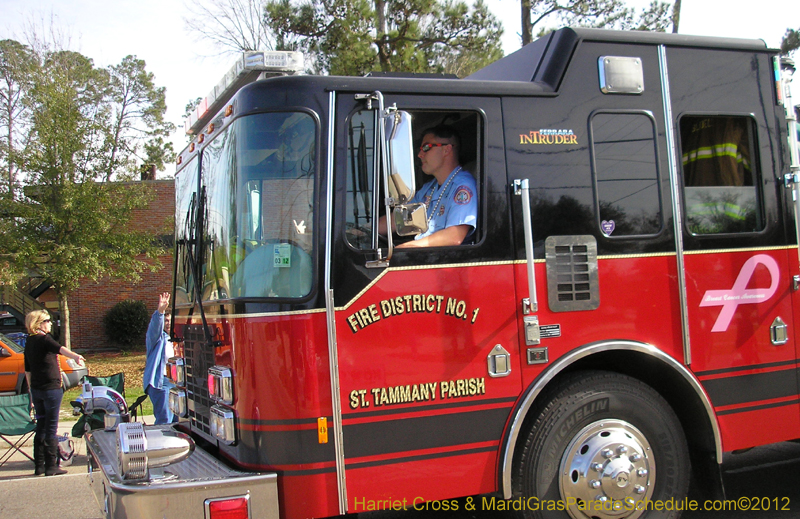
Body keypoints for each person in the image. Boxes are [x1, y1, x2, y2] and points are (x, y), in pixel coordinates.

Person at [383, 125, 478, 248]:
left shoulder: (463, 186)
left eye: (426, 147)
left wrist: (406, 248)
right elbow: (398, 219)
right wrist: (365, 229)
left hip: (448, 258)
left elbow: (454, 236)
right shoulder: (429, 188)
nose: (420, 154)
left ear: (446, 150)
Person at [23, 310, 85, 476]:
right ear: (39, 324)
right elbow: (60, 349)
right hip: (51, 389)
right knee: (51, 427)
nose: (50, 323)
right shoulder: (44, 339)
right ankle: (51, 465)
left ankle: (39, 465)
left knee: (41, 425)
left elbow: (27, 370)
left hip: (37, 389)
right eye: (47, 320)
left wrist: (31, 392)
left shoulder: (29, 341)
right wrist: (76, 356)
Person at [144, 292, 175, 425]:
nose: (168, 324)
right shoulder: (157, 339)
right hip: (161, 382)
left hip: (176, 383)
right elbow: (155, 328)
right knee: (165, 419)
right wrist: (160, 312)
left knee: (178, 419)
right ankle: (160, 436)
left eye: (170, 321)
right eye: (166, 321)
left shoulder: (177, 339)